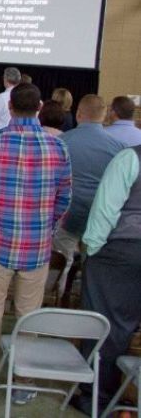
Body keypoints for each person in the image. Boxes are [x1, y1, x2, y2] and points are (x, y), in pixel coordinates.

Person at [0, 82, 72, 402]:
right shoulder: (58, 147)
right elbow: (65, 197)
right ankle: (22, 379)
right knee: (29, 313)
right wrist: (47, 228)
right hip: (37, 246)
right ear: (39, 108)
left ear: (10, 107)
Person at [72, 145, 141, 415]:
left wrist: (92, 248)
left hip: (121, 251)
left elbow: (105, 208)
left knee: (105, 322)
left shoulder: (131, 158)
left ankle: (97, 396)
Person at [53, 95, 124, 260]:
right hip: (99, 214)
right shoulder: (118, 148)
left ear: (78, 114)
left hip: (66, 214)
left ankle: (62, 284)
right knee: (92, 261)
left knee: (63, 259)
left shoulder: (61, 142)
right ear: (104, 116)